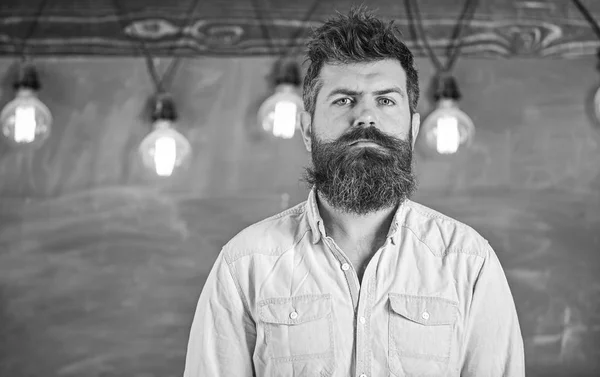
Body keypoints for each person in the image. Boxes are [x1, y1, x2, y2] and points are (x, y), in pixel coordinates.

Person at [183, 7, 525, 377]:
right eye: (344, 100)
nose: (366, 117)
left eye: (386, 100)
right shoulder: (244, 265)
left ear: (412, 129)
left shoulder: (469, 263)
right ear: (307, 128)